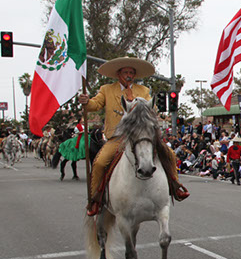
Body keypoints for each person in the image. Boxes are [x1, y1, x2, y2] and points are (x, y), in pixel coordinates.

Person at [78, 57, 189, 216]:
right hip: (118, 137)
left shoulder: (143, 91)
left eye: (131, 72)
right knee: (100, 163)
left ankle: (175, 187)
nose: (129, 75)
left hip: (141, 134)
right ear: (119, 74)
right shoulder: (107, 89)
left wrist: (152, 110)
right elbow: (94, 105)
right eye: (126, 72)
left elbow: (153, 107)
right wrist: (86, 101)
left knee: (170, 153)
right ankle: (96, 199)